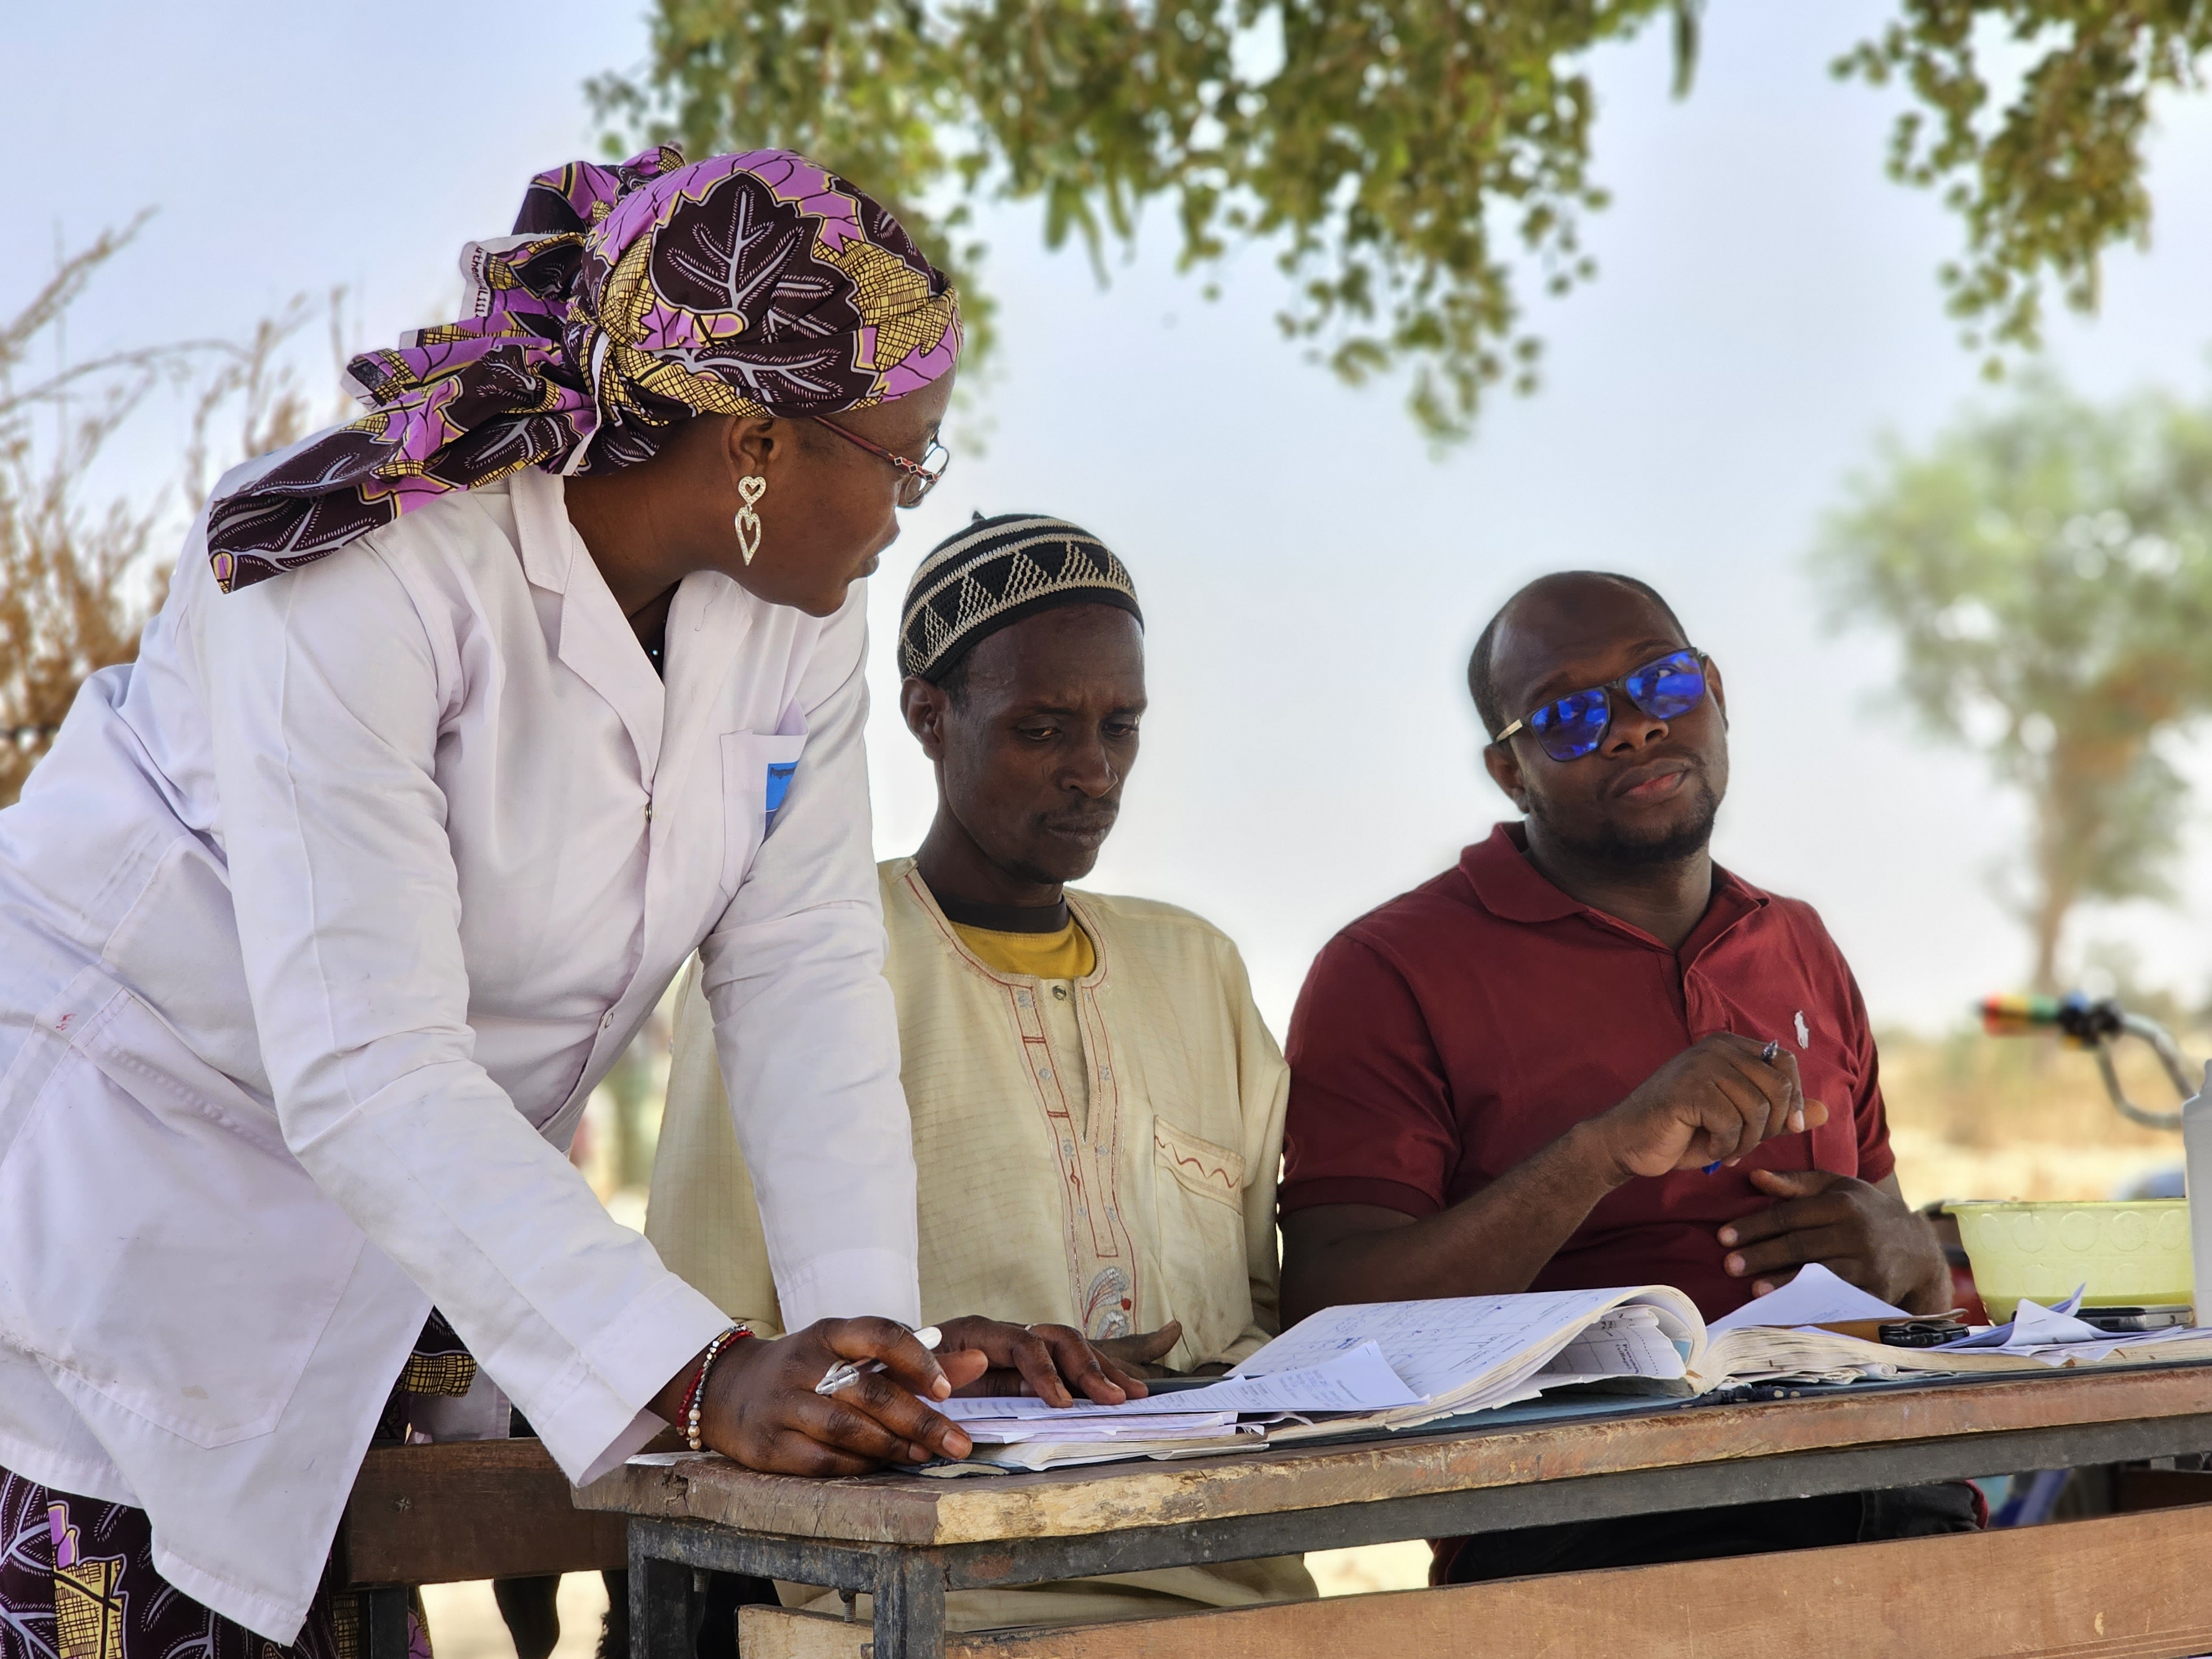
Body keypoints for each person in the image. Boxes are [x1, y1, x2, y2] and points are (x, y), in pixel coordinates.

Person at [0, 149, 1143, 1659]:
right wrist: (699, 1370)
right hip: (141, 1203)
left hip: (411, 1229)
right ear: (754, 445)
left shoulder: (794, 612)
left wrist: (875, 1365)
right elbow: (364, 1064)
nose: (904, 513)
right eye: (903, 461)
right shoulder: (365, 574)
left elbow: (804, 977)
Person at [647, 514, 1318, 1632]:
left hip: (1231, 1567)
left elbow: (1253, 1317)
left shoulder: (1195, 965)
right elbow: (709, 1330)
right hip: (927, 1583)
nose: (1092, 771)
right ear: (927, 713)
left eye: (1121, 727)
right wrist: (940, 1366)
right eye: (1041, 729)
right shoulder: (806, 956)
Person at [1275, 570, 1974, 1583]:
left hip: (1891, 1483)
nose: (1635, 729)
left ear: (1717, 694)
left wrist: (1906, 1255)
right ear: (1510, 773)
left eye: (1663, 684)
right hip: (1599, 1521)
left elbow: (1902, 1260)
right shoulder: (1389, 969)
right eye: (1569, 715)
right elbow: (1332, 1319)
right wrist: (1600, 1155)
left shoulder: (1800, 944)